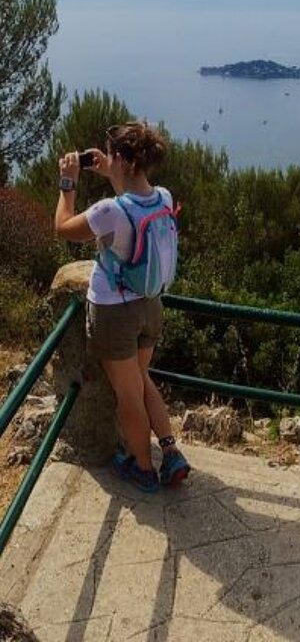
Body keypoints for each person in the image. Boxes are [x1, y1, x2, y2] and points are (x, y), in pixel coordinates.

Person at [54, 121, 190, 493]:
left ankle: (143, 469)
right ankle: (171, 451)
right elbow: (130, 210)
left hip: (115, 312)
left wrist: (68, 183)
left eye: (111, 155)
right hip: (150, 306)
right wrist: (109, 173)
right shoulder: (162, 195)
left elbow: (63, 228)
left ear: (124, 162)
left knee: (128, 393)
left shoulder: (107, 211)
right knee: (142, 380)